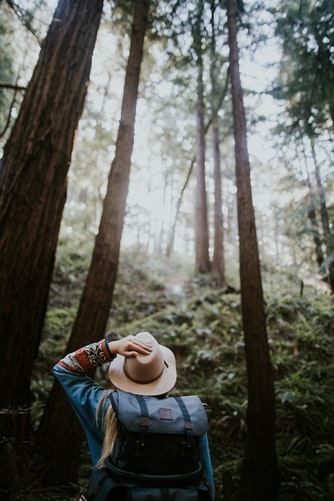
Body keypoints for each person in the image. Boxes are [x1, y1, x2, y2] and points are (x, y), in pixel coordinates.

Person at [53, 331, 215, 500]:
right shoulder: (189, 414)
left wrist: (111, 347)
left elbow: (66, 368)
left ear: (123, 372)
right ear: (164, 371)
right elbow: (205, 478)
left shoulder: (106, 407)